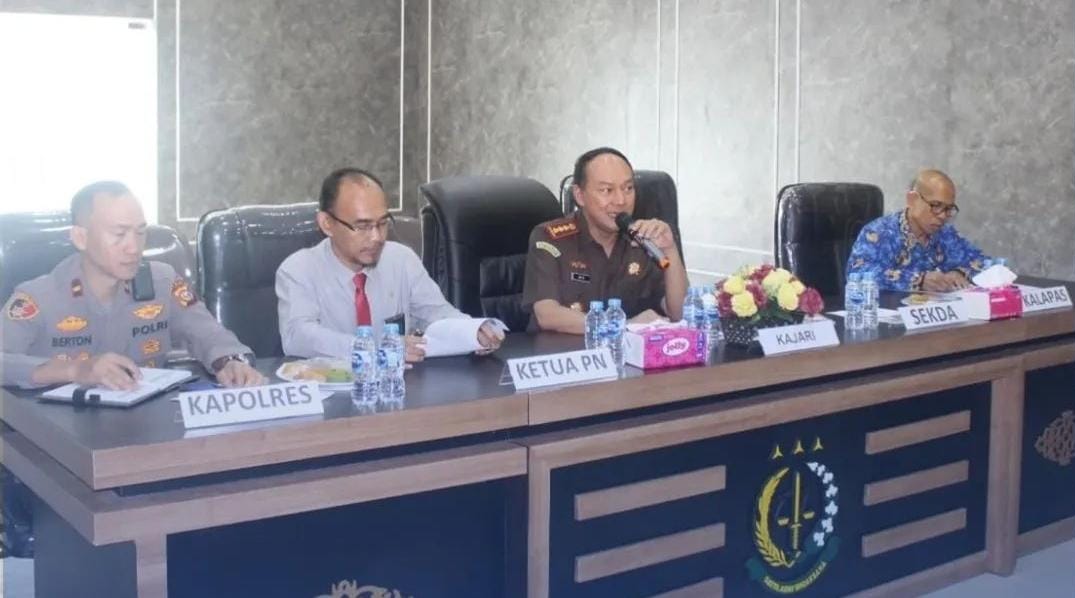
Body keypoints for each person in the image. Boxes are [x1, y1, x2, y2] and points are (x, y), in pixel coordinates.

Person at [1, 181, 265, 390]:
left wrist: (230, 362)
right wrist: (76, 370)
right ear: (81, 238)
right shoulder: (38, 298)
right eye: (119, 234)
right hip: (59, 433)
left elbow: (208, 334)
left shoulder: (162, 283)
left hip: (146, 426)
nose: (133, 247)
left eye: (140, 233)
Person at [276, 168, 504, 361]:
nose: (376, 237)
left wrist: (473, 331)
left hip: (398, 387)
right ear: (327, 223)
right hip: (334, 391)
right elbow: (298, 337)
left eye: (383, 223)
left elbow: (435, 312)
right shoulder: (299, 269)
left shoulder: (401, 259)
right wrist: (376, 348)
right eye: (362, 226)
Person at [522, 147, 689, 333]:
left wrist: (670, 250)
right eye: (606, 190)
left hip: (630, 351)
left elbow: (680, 314)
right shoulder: (550, 238)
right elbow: (547, 314)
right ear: (580, 195)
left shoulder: (644, 240)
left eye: (628, 188)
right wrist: (624, 326)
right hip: (565, 350)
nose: (620, 200)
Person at [846, 169, 992, 292]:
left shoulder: (945, 233)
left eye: (948, 208)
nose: (943, 216)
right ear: (912, 200)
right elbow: (858, 274)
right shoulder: (879, 233)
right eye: (936, 205)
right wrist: (918, 280)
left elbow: (985, 262)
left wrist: (959, 272)